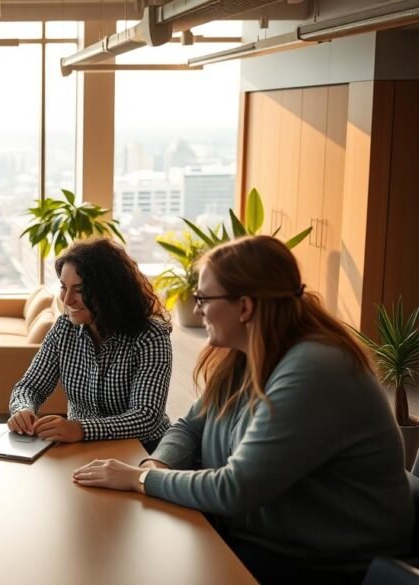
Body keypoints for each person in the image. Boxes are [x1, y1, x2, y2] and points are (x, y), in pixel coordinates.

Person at [72, 235, 413, 583]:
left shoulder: (315, 368)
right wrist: (156, 464)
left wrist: (140, 479)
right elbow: (190, 427)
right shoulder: (244, 353)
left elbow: (235, 490)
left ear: (245, 307)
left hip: (333, 563)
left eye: (204, 298)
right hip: (263, 537)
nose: (198, 308)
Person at [7, 238, 172, 452]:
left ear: (110, 291)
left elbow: (145, 416)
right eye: (64, 288)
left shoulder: (151, 336)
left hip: (142, 449)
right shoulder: (64, 329)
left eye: (79, 290)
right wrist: (23, 409)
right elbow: (29, 387)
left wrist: (81, 429)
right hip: (82, 448)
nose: (67, 300)